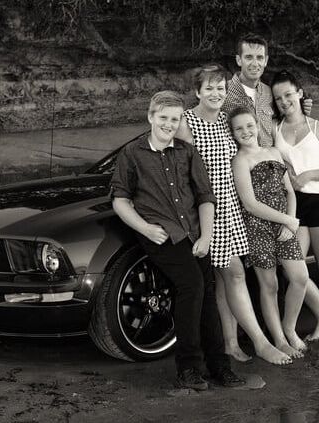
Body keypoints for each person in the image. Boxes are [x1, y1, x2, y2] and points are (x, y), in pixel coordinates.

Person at [110, 91, 246, 390]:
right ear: (150, 117)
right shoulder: (132, 154)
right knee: (192, 285)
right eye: (163, 118)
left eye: (175, 119)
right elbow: (120, 201)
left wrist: (207, 235)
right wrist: (145, 228)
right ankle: (188, 369)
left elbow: (205, 197)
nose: (169, 124)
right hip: (161, 235)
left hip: (195, 233)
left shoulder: (186, 151)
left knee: (207, 295)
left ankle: (219, 367)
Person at [176, 64, 290, 365]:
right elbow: (171, 163)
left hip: (233, 209)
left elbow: (253, 136)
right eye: (209, 88)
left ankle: (229, 343)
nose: (215, 93)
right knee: (235, 274)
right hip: (206, 212)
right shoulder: (186, 123)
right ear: (197, 92)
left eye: (220, 88)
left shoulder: (227, 121)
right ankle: (261, 343)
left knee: (225, 279)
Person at [230, 106, 315, 357]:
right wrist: (287, 220)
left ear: (257, 125)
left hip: (285, 224)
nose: (245, 131)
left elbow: (289, 190)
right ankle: (278, 340)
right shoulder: (240, 160)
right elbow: (250, 204)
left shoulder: (274, 152)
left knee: (299, 278)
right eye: (238, 128)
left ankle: (289, 329)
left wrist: (289, 223)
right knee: (270, 285)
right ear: (233, 134)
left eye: (249, 125)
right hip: (258, 227)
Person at [271, 70, 319, 343]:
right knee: (294, 271)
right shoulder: (274, 129)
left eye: (289, 94)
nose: (284, 101)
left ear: (300, 93)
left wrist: (309, 175)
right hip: (294, 206)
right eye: (278, 97)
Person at [221, 33, 312, 147]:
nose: (255, 64)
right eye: (249, 57)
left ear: (266, 61)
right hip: (239, 161)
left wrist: (301, 108)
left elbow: (284, 119)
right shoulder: (222, 91)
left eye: (259, 57)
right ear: (239, 60)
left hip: (269, 158)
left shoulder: (269, 93)